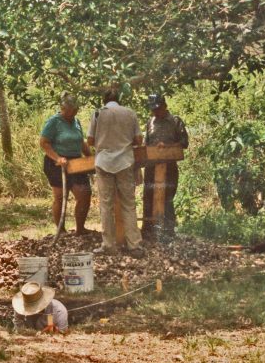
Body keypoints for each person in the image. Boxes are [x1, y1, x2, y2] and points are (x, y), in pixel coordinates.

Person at [87, 88, 145, 258]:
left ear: (104, 100)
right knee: (129, 204)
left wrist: (103, 141)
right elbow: (139, 140)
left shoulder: (97, 114)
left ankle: (109, 245)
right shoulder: (129, 113)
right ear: (118, 99)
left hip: (104, 163)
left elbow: (90, 140)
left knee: (106, 205)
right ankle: (134, 246)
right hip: (125, 162)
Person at [40, 92, 92, 235]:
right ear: (63, 108)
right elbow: (44, 143)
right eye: (70, 111)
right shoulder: (54, 122)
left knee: (84, 194)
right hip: (57, 163)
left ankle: (80, 229)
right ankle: (61, 230)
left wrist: (90, 157)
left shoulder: (76, 122)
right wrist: (57, 158)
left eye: (75, 111)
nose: (73, 113)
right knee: (60, 196)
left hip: (76, 162)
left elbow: (81, 142)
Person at [142, 94, 189, 240]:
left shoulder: (175, 121)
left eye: (157, 109)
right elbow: (146, 144)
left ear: (164, 106)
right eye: (153, 110)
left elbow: (184, 143)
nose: (155, 112)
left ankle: (168, 232)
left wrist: (167, 147)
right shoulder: (150, 122)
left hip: (169, 167)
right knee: (148, 196)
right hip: (151, 166)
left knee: (168, 197)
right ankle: (148, 231)